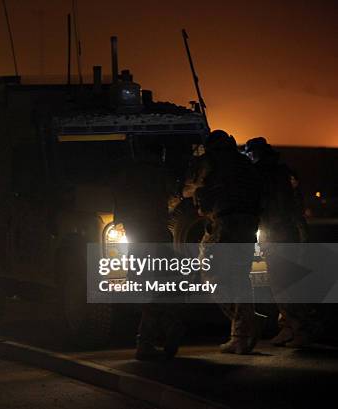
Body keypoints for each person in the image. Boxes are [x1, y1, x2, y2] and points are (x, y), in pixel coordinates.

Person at [183, 130, 262, 354]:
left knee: (211, 275)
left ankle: (246, 325)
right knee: (239, 277)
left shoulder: (209, 162)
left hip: (225, 224)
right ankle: (241, 333)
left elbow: (191, 188)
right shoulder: (245, 163)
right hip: (249, 224)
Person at [244, 137, 317, 347]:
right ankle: (288, 328)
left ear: (255, 153)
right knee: (285, 282)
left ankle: (300, 329)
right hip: (287, 231)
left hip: (278, 233)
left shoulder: (263, 174)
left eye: (250, 153)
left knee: (282, 283)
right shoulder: (283, 172)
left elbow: (270, 204)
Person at [114, 143, 184, 360]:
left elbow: (120, 206)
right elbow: (174, 197)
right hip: (158, 234)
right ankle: (161, 336)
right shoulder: (161, 173)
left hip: (139, 237)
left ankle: (147, 341)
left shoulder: (128, 174)